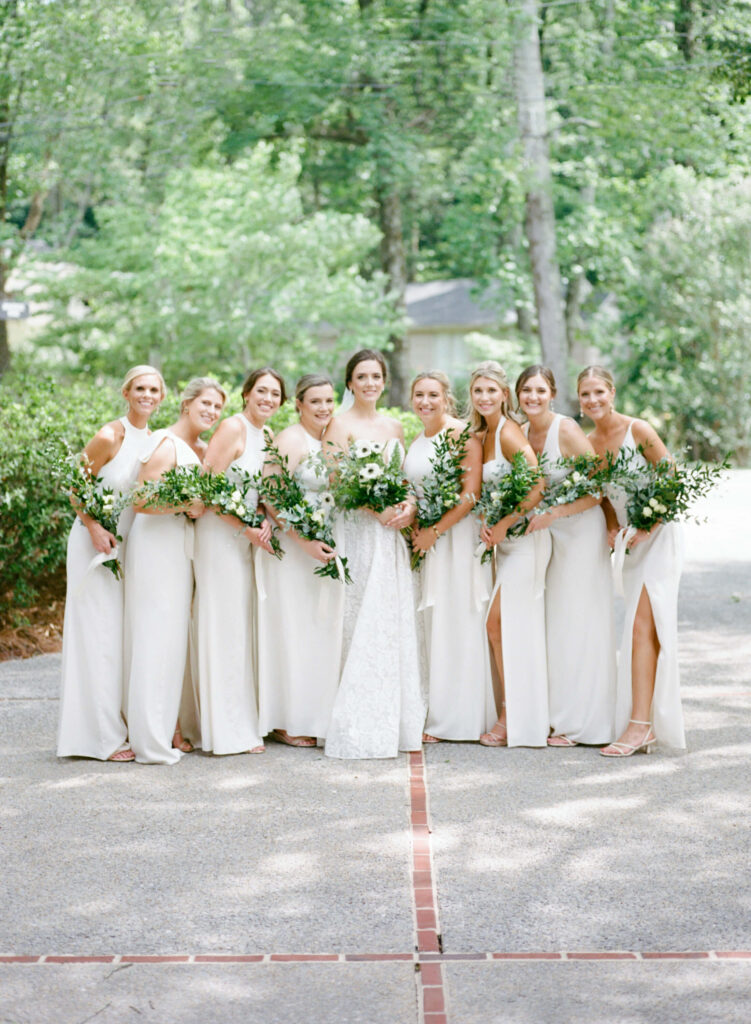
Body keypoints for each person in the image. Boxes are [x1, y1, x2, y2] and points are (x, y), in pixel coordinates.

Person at [57, 365, 165, 762]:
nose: (147, 395)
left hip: (130, 548)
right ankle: (100, 738)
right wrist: (92, 527)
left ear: (162, 397)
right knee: (98, 635)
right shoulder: (110, 435)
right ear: (126, 392)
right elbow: (74, 484)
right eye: (140, 388)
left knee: (122, 638)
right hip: (95, 545)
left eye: (154, 389)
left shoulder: (156, 441)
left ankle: (122, 723)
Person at [323, 349, 426, 759]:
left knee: (387, 615)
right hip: (358, 529)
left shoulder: (395, 426)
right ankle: (348, 713)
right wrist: (375, 510)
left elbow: (402, 480)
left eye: (375, 376)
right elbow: (337, 480)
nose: (369, 383)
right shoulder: (338, 424)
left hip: (390, 534)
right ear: (349, 383)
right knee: (357, 613)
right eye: (361, 376)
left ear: (384, 381)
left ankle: (395, 714)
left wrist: (407, 507)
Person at [578, 366, 685, 756]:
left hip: (658, 537)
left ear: (613, 392)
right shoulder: (589, 442)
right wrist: (612, 527)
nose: (593, 401)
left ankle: (640, 726)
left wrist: (646, 523)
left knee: (642, 626)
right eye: (585, 395)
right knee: (644, 628)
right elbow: (603, 496)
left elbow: (671, 477)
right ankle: (644, 721)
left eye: (599, 393)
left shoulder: (638, 430)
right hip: (629, 542)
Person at [124, 377, 226, 765]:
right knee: (155, 639)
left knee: (171, 640)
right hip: (155, 547)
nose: (211, 412)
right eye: (205, 403)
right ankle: (150, 741)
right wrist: (186, 505)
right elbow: (141, 500)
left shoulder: (198, 448)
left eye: (217, 407)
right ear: (186, 403)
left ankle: (169, 726)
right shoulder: (165, 442)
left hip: (178, 549)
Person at [516, 365, 616, 747]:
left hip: (579, 533)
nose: (533, 397)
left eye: (540, 390)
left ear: (553, 393)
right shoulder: (521, 432)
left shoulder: (567, 430)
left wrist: (555, 514)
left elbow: (597, 491)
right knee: (555, 625)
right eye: (526, 390)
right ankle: (556, 713)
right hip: (546, 538)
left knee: (580, 623)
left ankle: (582, 723)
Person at [193, 368, 284, 756]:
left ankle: (240, 718)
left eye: (275, 393)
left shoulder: (269, 437)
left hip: (246, 537)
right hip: (218, 536)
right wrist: (246, 528)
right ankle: (224, 730)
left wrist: (262, 518)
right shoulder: (232, 427)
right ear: (246, 394)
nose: (267, 398)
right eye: (261, 391)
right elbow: (207, 490)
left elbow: (261, 495)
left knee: (239, 628)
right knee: (222, 625)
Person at [404, 371, 495, 742]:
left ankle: (462, 719)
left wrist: (434, 532)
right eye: (419, 395)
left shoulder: (462, 436)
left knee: (460, 622)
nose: (425, 402)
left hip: (455, 539)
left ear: (447, 399)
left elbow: (470, 494)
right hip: (429, 541)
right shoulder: (416, 439)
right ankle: (439, 712)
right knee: (436, 624)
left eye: (433, 395)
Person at [257, 373, 344, 746]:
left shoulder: (327, 438)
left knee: (314, 629)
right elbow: (271, 498)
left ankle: (311, 713)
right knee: (290, 629)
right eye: (316, 402)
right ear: (299, 404)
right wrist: (304, 541)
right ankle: (286, 720)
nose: (324, 408)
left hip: (318, 545)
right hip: (292, 549)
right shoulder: (290, 440)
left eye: (329, 400)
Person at [471, 361, 549, 748]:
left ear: (504, 394)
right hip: (504, 544)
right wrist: (489, 516)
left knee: (498, 626)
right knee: (505, 629)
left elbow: (537, 486)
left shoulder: (509, 432)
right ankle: (515, 712)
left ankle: (512, 718)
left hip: (524, 542)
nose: (484, 397)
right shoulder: (484, 433)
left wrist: (505, 523)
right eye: (477, 391)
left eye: (491, 391)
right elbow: (496, 488)